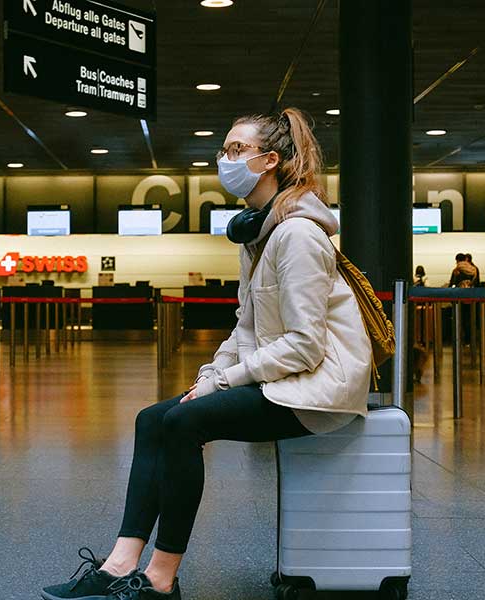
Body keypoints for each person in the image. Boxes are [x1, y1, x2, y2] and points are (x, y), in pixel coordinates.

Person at [40, 108, 373, 600]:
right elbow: (247, 327)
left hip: (317, 390)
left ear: (270, 161)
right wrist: (211, 373)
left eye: (237, 150)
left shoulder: (298, 235)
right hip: (281, 379)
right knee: (153, 418)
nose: (225, 158)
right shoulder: (259, 235)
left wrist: (226, 382)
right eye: (224, 150)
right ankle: (118, 563)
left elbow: (306, 345)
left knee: (184, 424)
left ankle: (160, 579)